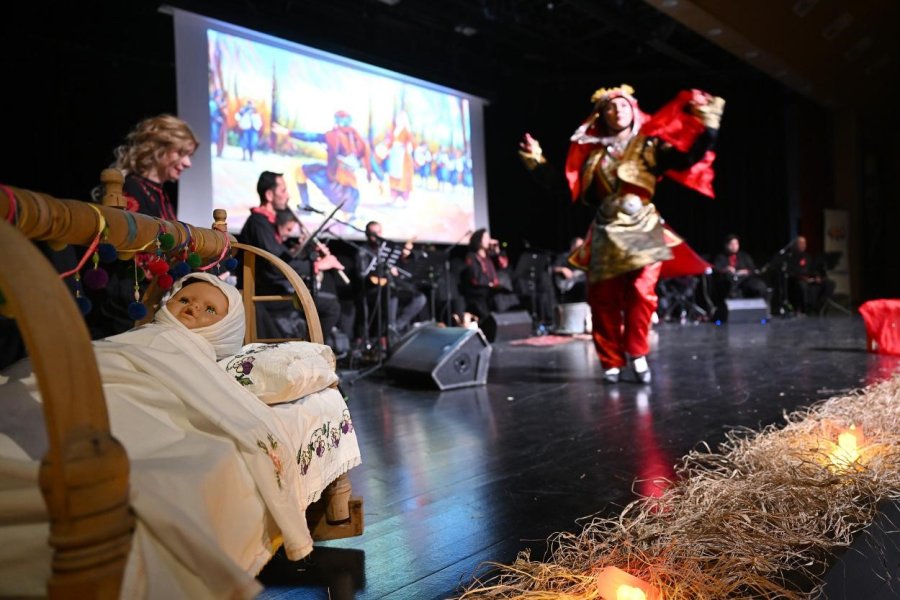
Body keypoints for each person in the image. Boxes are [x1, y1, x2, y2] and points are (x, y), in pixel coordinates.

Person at [519, 84, 724, 383]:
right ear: (601, 114)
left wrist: (709, 127)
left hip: (642, 224)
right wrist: (535, 161)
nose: (618, 111)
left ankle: (637, 352)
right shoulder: (591, 154)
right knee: (603, 298)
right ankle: (610, 359)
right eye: (611, 108)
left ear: (633, 110)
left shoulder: (648, 146)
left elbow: (686, 158)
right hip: (606, 228)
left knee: (642, 292)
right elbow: (563, 187)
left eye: (624, 106)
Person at [239, 171, 342, 345]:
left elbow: (280, 256)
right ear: (269, 195)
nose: (288, 196)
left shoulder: (267, 223)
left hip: (277, 290)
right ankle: (310, 352)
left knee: (327, 301)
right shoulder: (258, 222)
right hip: (267, 297)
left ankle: (308, 350)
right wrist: (317, 265)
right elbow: (274, 265)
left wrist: (304, 250)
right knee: (331, 307)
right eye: (284, 191)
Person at [272, 111, 372, 221]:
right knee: (301, 170)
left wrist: (288, 132)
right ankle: (306, 207)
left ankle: (308, 207)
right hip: (351, 192)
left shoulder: (335, 136)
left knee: (301, 171)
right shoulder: (358, 139)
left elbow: (311, 136)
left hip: (337, 186)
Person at [113, 114, 198, 220]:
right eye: (181, 153)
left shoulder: (161, 193)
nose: (188, 163)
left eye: (189, 155)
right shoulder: (132, 188)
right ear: (158, 148)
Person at [356, 221, 426, 340]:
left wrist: (403, 259)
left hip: (391, 284)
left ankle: (395, 327)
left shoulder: (388, 248)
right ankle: (390, 333)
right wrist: (381, 271)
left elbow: (400, 268)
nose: (376, 236)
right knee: (391, 293)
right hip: (372, 289)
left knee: (419, 298)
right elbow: (363, 275)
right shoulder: (363, 250)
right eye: (373, 233)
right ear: (367, 234)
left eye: (379, 232)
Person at [461, 228, 513, 322]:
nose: (488, 240)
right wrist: (489, 284)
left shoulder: (490, 257)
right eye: (485, 238)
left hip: (491, 287)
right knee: (491, 294)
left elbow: (504, 265)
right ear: (479, 240)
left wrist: (497, 250)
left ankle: (506, 320)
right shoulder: (472, 256)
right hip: (479, 289)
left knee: (505, 291)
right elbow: (475, 277)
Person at [712, 234, 769, 315]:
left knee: (759, 286)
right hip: (728, 281)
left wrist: (745, 271)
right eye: (731, 244)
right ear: (726, 245)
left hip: (744, 280)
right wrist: (726, 269)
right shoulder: (720, 257)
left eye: (736, 244)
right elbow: (716, 269)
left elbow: (752, 269)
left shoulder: (744, 256)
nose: (734, 246)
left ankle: (761, 311)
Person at [785, 235, 835, 315]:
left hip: (810, 278)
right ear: (796, 245)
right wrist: (802, 278)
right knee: (802, 286)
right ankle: (805, 309)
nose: (803, 245)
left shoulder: (808, 257)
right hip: (799, 280)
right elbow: (790, 272)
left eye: (804, 243)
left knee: (829, 283)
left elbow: (813, 269)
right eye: (800, 243)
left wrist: (817, 276)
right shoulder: (790, 257)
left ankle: (819, 307)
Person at [552, 237, 587, 303]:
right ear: (572, 247)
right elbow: (552, 268)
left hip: (582, 291)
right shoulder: (564, 256)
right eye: (579, 246)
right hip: (567, 290)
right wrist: (562, 269)